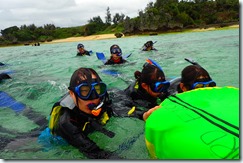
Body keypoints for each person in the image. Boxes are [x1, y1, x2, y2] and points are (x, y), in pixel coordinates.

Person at [39, 67, 121, 159]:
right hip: (56, 142)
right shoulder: (67, 123)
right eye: (84, 91)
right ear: (72, 94)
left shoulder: (102, 100)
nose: (93, 98)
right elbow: (94, 152)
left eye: (98, 89)